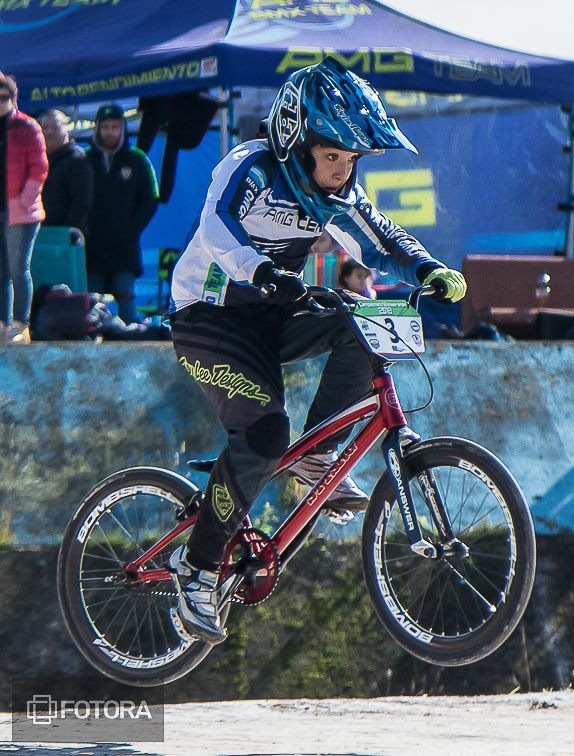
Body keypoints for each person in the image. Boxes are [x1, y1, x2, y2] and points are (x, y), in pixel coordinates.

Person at [165, 58, 467, 644]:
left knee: (363, 322)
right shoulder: (248, 166)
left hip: (272, 315)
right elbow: (215, 228)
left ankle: (316, 456)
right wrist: (259, 270)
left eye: (351, 160)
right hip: (209, 320)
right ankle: (197, 567)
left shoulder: (339, 190)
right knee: (263, 435)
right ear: (295, 139)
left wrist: (428, 267)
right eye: (333, 156)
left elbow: (382, 236)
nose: (342, 171)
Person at [86, 103, 158, 324]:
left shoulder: (137, 159)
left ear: (123, 128)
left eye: (115, 126)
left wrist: (132, 228)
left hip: (124, 245)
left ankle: (130, 343)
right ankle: (93, 350)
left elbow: (151, 198)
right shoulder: (85, 159)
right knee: (92, 300)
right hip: (92, 245)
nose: (110, 132)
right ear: (97, 128)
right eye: (105, 126)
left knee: (125, 296)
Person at [0, 69, 48, 345]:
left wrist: (23, 201)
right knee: (0, 272)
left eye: (3, 95)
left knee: (19, 268)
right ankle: (2, 322)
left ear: (13, 98)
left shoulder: (27, 127)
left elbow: (39, 168)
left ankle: (20, 324)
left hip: (22, 212)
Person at [38, 108, 93, 244]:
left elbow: (81, 202)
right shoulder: (39, 161)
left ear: (66, 129)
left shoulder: (77, 159)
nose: (49, 131)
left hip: (67, 237)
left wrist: (69, 236)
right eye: (45, 127)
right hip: (43, 235)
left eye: (55, 127)